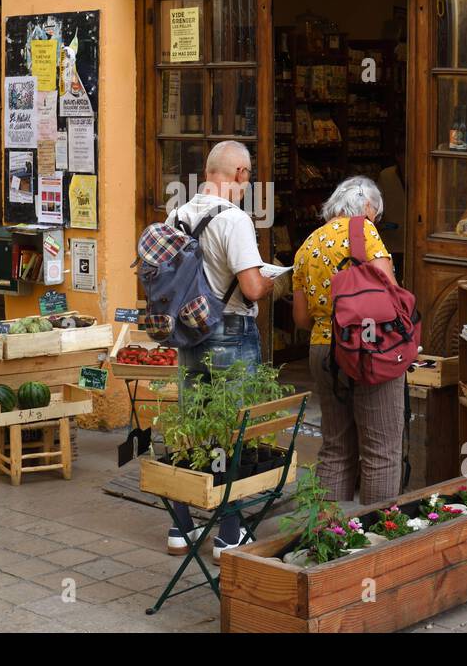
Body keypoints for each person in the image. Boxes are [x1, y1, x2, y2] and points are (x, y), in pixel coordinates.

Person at [162, 140, 275, 558]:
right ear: (241, 175)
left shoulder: (176, 214)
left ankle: (181, 526)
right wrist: (272, 280)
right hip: (230, 330)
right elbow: (250, 286)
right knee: (234, 429)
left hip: (189, 332)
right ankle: (230, 532)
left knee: (193, 425)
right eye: (248, 178)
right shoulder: (234, 219)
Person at [291, 176, 403, 505]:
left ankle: (330, 535)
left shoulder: (307, 244)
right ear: (367, 207)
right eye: (376, 215)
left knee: (336, 447)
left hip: (323, 348)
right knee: (381, 451)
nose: (375, 222)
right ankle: (378, 539)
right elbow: (389, 292)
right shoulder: (364, 231)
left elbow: (300, 319)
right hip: (369, 348)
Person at [376, 159, 406, 279]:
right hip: (392, 237)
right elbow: (377, 203)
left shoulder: (420, 172)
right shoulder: (386, 175)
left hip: (415, 239)